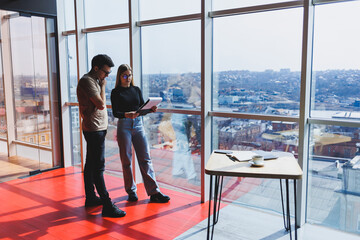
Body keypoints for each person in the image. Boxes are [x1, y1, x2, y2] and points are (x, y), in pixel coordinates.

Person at [111, 64, 170, 203]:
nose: (127, 78)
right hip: (124, 125)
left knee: (145, 158)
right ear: (119, 77)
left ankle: (154, 192)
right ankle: (131, 191)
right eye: (124, 75)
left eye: (129, 75)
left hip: (138, 125)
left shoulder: (136, 90)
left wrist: (150, 109)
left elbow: (141, 108)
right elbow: (115, 113)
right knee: (126, 160)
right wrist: (126, 114)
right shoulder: (116, 92)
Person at [76, 54, 126, 217]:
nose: (107, 76)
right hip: (94, 129)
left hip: (97, 128)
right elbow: (101, 104)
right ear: (96, 68)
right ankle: (107, 204)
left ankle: (90, 197)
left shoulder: (95, 80)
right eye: (105, 72)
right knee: (99, 166)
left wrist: (101, 83)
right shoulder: (88, 81)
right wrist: (103, 86)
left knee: (91, 164)